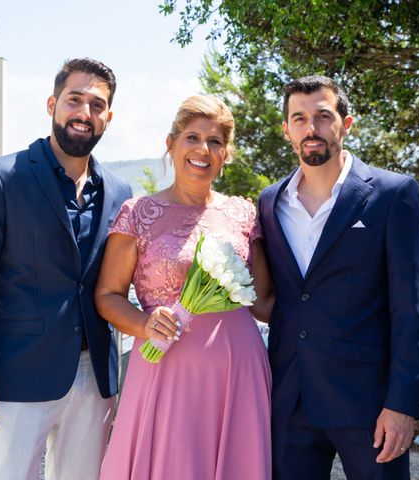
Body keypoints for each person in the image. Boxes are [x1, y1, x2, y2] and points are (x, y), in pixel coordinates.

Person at [0, 58, 132, 480]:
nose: (85, 113)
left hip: (95, 378)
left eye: (97, 105)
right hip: (17, 375)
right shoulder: (1, 177)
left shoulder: (120, 192)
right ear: (52, 104)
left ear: (109, 117)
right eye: (75, 100)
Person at [96, 95, 273, 479]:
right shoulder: (138, 213)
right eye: (192, 137)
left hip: (237, 369)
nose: (203, 149)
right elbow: (107, 296)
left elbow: (264, 301)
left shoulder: (243, 213)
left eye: (215, 142)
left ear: (226, 154)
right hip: (165, 366)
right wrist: (143, 325)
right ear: (171, 144)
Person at [258, 75, 419, 479]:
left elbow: (412, 307)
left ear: (346, 124)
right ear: (286, 130)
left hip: (369, 403)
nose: (310, 128)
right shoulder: (269, 202)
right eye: (298, 118)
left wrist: (404, 404)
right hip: (290, 399)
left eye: (322, 116)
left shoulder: (393, 194)